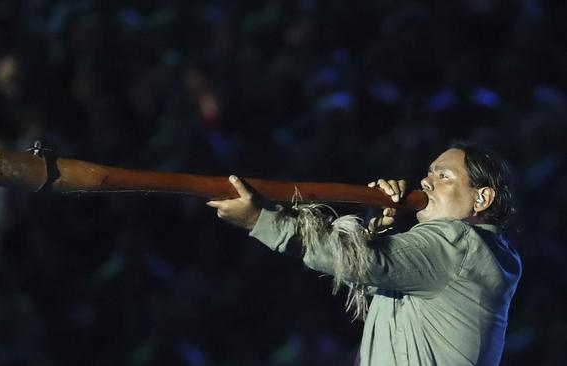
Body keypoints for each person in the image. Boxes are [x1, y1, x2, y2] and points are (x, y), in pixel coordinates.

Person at [206, 143, 521, 366]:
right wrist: (378, 231)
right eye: (429, 173)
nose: (425, 181)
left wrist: (261, 220)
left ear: (481, 197)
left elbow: (353, 260)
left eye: (443, 176)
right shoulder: (473, 256)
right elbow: (374, 276)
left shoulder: (457, 244)